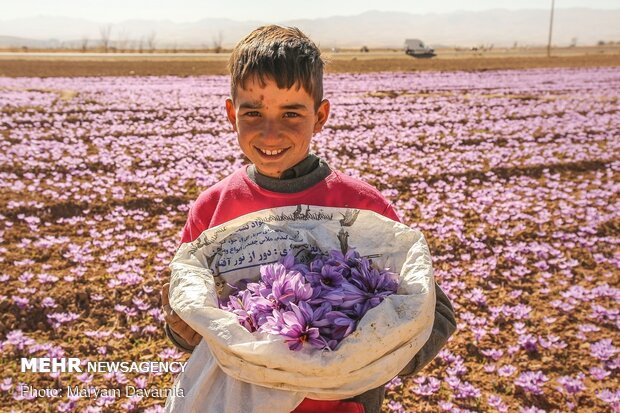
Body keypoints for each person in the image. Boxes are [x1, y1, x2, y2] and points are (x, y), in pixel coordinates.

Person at [161, 25, 456, 413]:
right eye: (253, 112)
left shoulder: (361, 208)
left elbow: (436, 314)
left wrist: (370, 365)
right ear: (231, 114)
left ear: (320, 116)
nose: (271, 131)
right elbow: (195, 323)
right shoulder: (213, 208)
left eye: (292, 113)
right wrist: (180, 328)